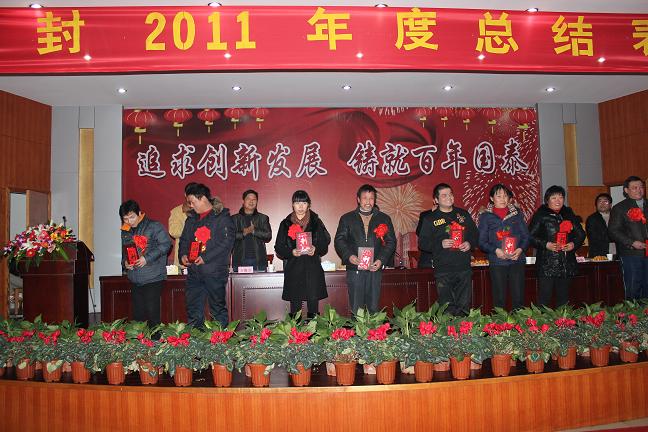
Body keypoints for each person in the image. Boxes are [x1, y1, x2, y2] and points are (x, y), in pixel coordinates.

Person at [179, 183, 235, 328]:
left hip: (214, 272)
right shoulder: (191, 219)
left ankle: (220, 339)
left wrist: (205, 257)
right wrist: (183, 255)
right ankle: (195, 340)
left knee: (217, 310)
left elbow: (226, 243)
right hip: (194, 272)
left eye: (192, 202)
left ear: (202, 198)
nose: (191, 206)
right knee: (193, 310)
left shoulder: (222, 218)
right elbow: (184, 240)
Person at [334, 184, 396, 313]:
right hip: (355, 269)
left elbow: (391, 242)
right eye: (365, 198)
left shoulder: (384, 218)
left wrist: (381, 260)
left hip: (375, 268)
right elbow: (339, 240)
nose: (368, 202)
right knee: (357, 308)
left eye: (371, 198)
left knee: (374, 307)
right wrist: (349, 256)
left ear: (375, 200)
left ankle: (374, 327)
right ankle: (358, 327)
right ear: (358, 199)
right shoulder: (347, 218)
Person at [418, 183, 478, 316]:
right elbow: (422, 243)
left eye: (450, 194)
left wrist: (469, 243)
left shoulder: (463, 214)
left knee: (463, 307)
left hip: (463, 268)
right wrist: (440, 244)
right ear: (436, 200)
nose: (449, 197)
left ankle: (464, 329)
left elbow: (475, 235)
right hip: (443, 270)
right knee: (447, 308)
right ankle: (448, 330)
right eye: (444, 195)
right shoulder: (430, 219)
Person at [274, 190, 330, 318]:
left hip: (313, 269)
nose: (300, 206)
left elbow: (324, 244)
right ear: (292, 205)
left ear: (308, 205)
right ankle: (295, 330)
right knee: (295, 307)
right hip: (294, 269)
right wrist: (291, 252)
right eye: (297, 203)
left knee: (313, 305)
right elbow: (279, 247)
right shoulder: (285, 223)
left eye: (304, 203)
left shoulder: (316, 222)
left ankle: (314, 329)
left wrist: (316, 249)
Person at [528, 185, 586, 307]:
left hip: (566, 263)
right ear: (547, 200)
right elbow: (530, 236)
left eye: (560, 197)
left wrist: (573, 244)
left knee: (564, 298)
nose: (558, 200)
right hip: (547, 264)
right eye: (554, 198)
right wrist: (546, 244)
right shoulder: (540, 215)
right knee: (544, 298)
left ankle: (563, 319)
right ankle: (542, 319)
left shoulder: (569, 214)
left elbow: (581, 234)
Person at [119, 200, 172, 327]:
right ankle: (140, 340)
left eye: (132, 217)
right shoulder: (125, 230)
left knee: (152, 314)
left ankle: (156, 339)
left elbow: (166, 244)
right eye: (125, 219)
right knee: (138, 316)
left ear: (139, 213)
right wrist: (125, 263)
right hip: (134, 278)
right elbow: (124, 252)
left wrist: (146, 259)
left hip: (153, 277)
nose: (129, 221)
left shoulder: (153, 226)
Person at [478, 184, 530, 310]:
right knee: (499, 298)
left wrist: (520, 249)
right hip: (497, 261)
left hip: (516, 260)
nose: (503, 199)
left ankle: (519, 322)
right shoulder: (486, 216)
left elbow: (526, 236)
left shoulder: (516, 214)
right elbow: (481, 241)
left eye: (505, 196)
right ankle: (500, 323)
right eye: (499, 196)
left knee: (518, 297)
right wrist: (495, 250)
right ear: (492, 198)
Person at [608, 175, 648, 300]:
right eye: (635, 188)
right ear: (626, 190)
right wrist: (632, 242)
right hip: (631, 253)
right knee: (633, 287)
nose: (639, 190)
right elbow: (613, 231)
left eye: (641, 187)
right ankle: (633, 312)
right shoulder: (620, 208)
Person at [231, 189, 272, 272]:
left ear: (257, 202)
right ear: (243, 201)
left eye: (254, 199)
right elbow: (229, 237)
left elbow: (268, 236)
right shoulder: (234, 219)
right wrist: (243, 233)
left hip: (259, 260)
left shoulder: (263, 218)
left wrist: (254, 231)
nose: (251, 201)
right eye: (248, 199)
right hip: (240, 260)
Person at [168, 183, 195, 267]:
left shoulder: (204, 210)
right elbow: (173, 232)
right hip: (184, 256)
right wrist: (189, 225)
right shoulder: (176, 211)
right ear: (185, 195)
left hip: (203, 258)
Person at [585, 193, 615, 258]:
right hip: (598, 253)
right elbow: (593, 237)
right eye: (600, 201)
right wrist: (614, 237)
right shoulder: (592, 218)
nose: (602, 204)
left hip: (615, 250)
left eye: (605, 201)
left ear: (610, 205)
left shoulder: (616, 217)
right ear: (596, 205)